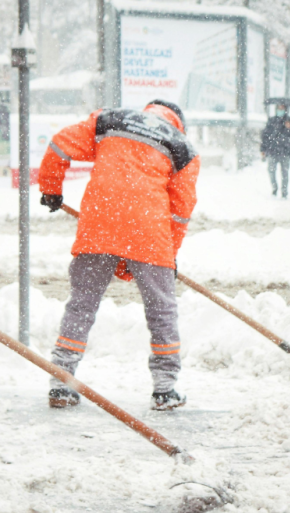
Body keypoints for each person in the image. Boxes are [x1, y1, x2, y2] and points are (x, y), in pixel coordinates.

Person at [37, 100, 198, 412]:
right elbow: (180, 213)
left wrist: (51, 188)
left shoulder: (110, 120)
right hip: (149, 232)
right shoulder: (183, 148)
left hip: (100, 223)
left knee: (81, 304)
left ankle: (60, 381)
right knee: (162, 310)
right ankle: (165, 390)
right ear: (178, 122)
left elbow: (60, 145)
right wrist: (169, 254)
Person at [260, 104, 290, 198]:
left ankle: (284, 192)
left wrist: (289, 127)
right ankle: (274, 188)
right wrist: (263, 149)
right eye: (278, 108)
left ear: (285, 109)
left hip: (285, 151)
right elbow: (265, 135)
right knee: (271, 171)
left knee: (284, 173)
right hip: (273, 150)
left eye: (282, 108)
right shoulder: (271, 120)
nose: (280, 110)